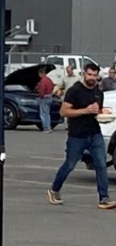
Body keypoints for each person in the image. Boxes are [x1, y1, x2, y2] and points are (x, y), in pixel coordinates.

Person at [46, 62, 114, 209]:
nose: (92, 78)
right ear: (84, 73)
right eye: (89, 74)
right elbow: (64, 112)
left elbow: (96, 112)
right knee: (70, 164)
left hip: (95, 133)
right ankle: (54, 190)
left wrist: (103, 114)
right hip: (77, 135)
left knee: (101, 165)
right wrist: (85, 110)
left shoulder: (98, 92)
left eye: (95, 75)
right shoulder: (74, 91)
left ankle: (104, 198)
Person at [36, 67, 56, 132]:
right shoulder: (48, 79)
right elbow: (53, 85)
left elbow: (42, 90)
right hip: (50, 96)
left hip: (44, 97)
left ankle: (46, 128)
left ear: (41, 73)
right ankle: (49, 127)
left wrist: (40, 96)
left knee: (43, 113)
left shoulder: (43, 81)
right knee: (47, 113)